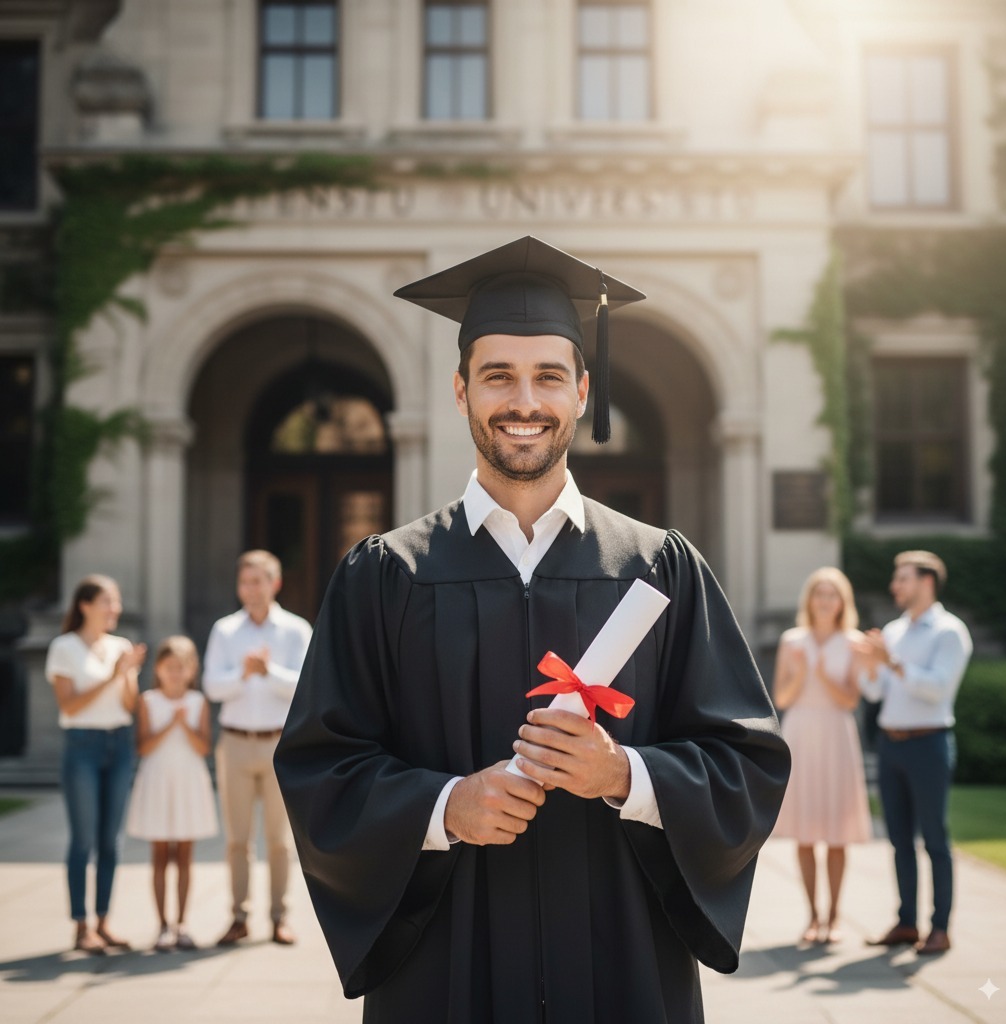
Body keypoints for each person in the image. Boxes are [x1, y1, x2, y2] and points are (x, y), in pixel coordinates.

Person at [274, 236, 791, 1023]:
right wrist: (445, 805)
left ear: (583, 390)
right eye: (497, 376)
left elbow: (747, 762)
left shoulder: (659, 568)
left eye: (549, 375)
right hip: (442, 973)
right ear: (460, 392)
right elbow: (320, 767)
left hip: (621, 962)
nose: (525, 401)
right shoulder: (386, 575)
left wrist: (624, 774)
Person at [854, 550, 972, 956]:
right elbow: (876, 692)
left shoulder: (950, 632)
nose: (894, 586)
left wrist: (891, 660)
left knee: (935, 839)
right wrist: (870, 666)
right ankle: (906, 922)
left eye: (901, 578)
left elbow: (937, 689)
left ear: (926, 582)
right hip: (891, 744)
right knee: (899, 840)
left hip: (929, 743)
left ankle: (940, 928)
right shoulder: (895, 630)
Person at [202, 550, 312, 947]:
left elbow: (307, 686)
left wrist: (268, 672)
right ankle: (238, 916)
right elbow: (213, 687)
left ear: (274, 583)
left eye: (258, 581)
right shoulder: (225, 631)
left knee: (280, 840)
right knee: (237, 839)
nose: (250, 589)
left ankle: (280, 917)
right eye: (245, 582)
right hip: (234, 743)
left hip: (280, 744)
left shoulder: (295, 630)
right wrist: (242, 675)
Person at [44, 574, 147, 953]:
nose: (115, 609)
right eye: (108, 601)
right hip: (82, 745)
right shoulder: (64, 648)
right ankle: (80, 925)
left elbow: (128, 706)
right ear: (85, 605)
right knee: (83, 839)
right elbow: (69, 705)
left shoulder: (119, 646)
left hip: (118, 744)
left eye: (117, 602)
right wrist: (113, 675)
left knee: (111, 841)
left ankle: (103, 922)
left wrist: (128, 675)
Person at [771, 567, 872, 944]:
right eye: (819, 594)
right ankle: (812, 917)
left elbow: (850, 700)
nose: (825, 601)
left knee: (837, 832)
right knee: (805, 831)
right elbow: (781, 698)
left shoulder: (853, 641)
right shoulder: (791, 640)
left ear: (842, 601)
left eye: (833, 594)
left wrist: (824, 675)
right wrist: (801, 672)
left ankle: (834, 918)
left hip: (836, 733)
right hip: (800, 732)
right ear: (809, 600)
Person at [126, 635, 218, 951]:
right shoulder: (149, 700)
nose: (175, 674)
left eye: (182, 667)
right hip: (158, 781)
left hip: (188, 781)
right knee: (161, 856)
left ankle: (182, 923)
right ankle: (162, 925)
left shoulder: (198, 702)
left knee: (185, 857)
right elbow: (144, 746)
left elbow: (204, 746)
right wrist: (170, 724)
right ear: (159, 669)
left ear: (192, 670)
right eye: (169, 667)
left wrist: (185, 725)